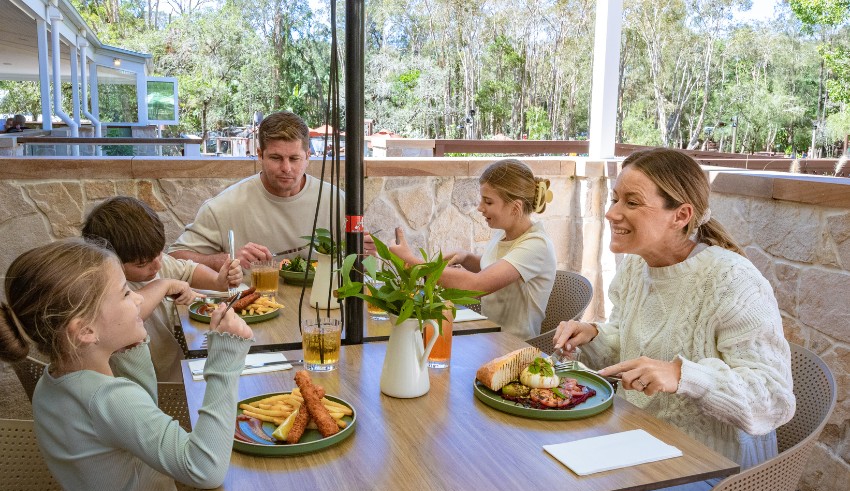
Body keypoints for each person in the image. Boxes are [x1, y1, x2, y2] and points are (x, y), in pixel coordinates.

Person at [553, 148, 795, 470]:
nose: (612, 213)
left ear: (680, 215)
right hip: (637, 438)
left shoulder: (732, 280)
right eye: (615, 199)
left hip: (710, 465)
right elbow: (632, 345)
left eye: (632, 202)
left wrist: (684, 375)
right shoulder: (634, 268)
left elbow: (774, 398)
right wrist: (593, 337)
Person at [0, 238, 253, 491]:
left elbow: (139, 415)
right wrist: (225, 363)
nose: (139, 298)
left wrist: (130, 346)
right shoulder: (109, 398)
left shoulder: (52, 382)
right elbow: (205, 469)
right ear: (85, 331)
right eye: (124, 293)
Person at [376, 158, 557, 339]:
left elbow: (477, 285)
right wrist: (467, 258)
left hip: (515, 348)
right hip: (489, 338)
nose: (480, 208)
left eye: (488, 202)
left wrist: (413, 262)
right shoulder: (504, 234)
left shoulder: (536, 245)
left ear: (515, 207)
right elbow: (497, 270)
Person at [82, 196, 242, 381]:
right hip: (150, 386)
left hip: (176, 370)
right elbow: (124, 314)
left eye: (159, 253)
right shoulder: (103, 285)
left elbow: (189, 270)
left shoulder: (155, 261)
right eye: (142, 264)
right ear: (109, 262)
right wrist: (164, 285)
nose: (157, 265)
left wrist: (218, 281)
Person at [168, 111, 344, 269]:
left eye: (294, 158)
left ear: (307, 157)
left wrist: (365, 255)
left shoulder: (337, 201)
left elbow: (361, 266)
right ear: (260, 155)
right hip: (251, 302)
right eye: (276, 158)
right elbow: (173, 260)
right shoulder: (225, 206)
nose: (286, 168)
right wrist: (227, 260)